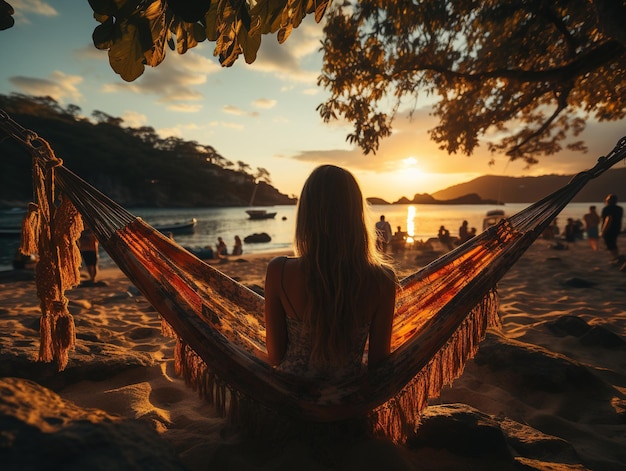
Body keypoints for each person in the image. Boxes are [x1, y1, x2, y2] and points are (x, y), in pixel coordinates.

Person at [264, 165, 397, 385]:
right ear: (356, 214)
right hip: (348, 404)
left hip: (290, 402)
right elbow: (378, 364)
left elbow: (275, 356)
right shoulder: (383, 280)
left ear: (306, 214)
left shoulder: (279, 271)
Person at [600, 194, 623, 261]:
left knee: (610, 243)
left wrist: (603, 231)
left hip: (609, 229)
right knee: (613, 242)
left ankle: (616, 257)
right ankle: (616, 257)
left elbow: (608, 219)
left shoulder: (606, 209)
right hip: (617, 228)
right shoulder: (620, 209)